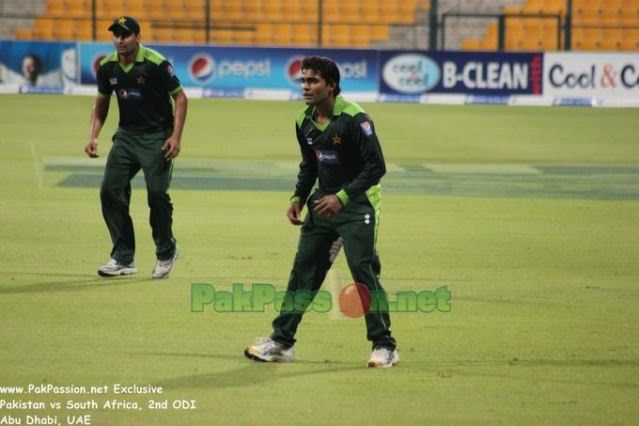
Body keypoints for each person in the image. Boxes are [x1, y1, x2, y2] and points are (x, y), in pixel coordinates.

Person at [244, 56, 399, 368]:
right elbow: (310, 165)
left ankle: (385, 346)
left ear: (331, 85)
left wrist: (342, 197)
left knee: (363, 273)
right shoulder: (304, 121)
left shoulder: (356, 119)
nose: (305, 86)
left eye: (313, 81)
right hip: (322, 206)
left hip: (359, 205)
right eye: (303, 80)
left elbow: (377, 167)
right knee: (303, 272)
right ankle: (282, 341)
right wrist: (298, 196)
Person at [84, 16, 187, 279]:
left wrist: (175, 137)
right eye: (116, 35)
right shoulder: (107, 68)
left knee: (156, 195)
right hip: (126, 137)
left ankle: (166, 250)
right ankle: (123, 257)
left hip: (157, 137)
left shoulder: (155, 63)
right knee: (110, 191)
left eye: (125, 34)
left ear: (137, 38)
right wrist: (93, 135)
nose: (119, 39)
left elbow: (181, 98)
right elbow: (102, 104)